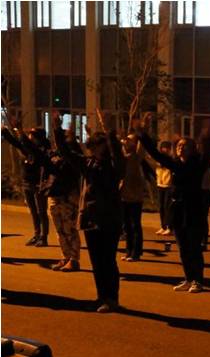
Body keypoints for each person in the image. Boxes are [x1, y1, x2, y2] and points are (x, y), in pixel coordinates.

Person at [53, 111, 124, 312]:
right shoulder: (88, 163)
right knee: (96, 261)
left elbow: (118, 156)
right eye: (90, 145)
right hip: (91, 218)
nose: (91, 148)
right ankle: (102, 297)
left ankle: (112, 299)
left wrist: (110, 132)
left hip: (109, 219)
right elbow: (67, 154)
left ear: (104, 146)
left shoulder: (114, 166)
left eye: (95, 145)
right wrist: (57, 130)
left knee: (108, 260)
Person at [138, 113, 210, 293]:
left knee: (194, 248)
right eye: (179, 145)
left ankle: (198, 280)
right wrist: (144, 133)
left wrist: (206, 136)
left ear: (192, 149)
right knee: (183, 248)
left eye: (184, 145)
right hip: (178, 211)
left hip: (193, 210)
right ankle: (188, 278)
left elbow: (207, 154)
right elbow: (156, 154)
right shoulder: (174, 164)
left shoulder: (197, 164)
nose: (180, 148)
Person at [3, 124, 81, 271]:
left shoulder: (72, 157)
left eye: (60, 139)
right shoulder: (52, 155)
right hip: (55, 195)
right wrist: (20, 133)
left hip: (67, 196)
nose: (57, 142)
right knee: (60, 230)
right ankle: (65, 256)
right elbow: (35, 152)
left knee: (69, 229)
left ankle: (74, 259)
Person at [8, 127, 51, 246]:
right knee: (33, 211)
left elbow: (28, 145)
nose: (30, 137)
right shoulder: (28, 148)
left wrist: (21, 132)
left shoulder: (42, 150)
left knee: (41, 211)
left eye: (32, 135)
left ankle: (43, 237)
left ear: (39, 138)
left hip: (38, 184)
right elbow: (16, 143)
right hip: (27, 183)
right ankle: (37, 234)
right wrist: (5, 132)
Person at [119, 133, 147, 262]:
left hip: (135, 197)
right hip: (124, 196)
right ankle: (128, 251)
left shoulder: (136, 156)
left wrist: (141, 131)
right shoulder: (123, 156)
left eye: (129, 140)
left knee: (135, 224)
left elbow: (142, 146)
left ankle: (136, 252)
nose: (126, 141)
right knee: (127, 226)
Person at [154, 141, 174, 236]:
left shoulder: (171, 160)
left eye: (166, 148)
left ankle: (170, 227)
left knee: (167, 207)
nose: (164, 149)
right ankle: (163, 226)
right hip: (160, 185)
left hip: (168, 185)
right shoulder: (158, 160)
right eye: (163, 147)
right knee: (161, 207)